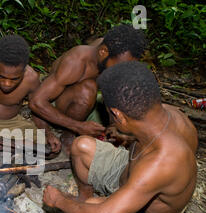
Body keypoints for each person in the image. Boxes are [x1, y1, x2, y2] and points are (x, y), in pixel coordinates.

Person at [42, 61, 198, 213]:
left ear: (118, 115)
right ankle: (83, 199)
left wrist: (58, 201)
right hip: (132, 171)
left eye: (108, 113)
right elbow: (149, 152)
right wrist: (127, 136)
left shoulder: (162, 162)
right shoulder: (163, 116)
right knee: (82, 146)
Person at [30, 24, 147, 155]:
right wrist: (76, 127)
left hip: (88, 105)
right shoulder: (75, 62)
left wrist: (114, 126)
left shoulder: (114, 49)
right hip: (59, 104)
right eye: (121, 66)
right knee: (88, 89)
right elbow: (36, 102)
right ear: (103, 52)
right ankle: (68, 136)